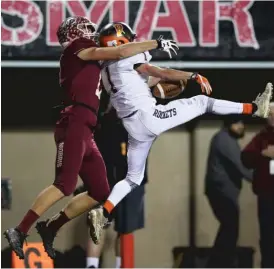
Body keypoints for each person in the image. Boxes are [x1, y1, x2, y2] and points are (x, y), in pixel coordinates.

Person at [3, 16, 178, 260]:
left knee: (100, 191)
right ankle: (20, 230)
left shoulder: (94, 62)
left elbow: (131, 76)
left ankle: (50, 227)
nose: (91, 33)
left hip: (86, 127)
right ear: (72, 35)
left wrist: (167, 77)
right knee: (64, 184)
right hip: (73, 121)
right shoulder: (76, 50)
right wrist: (155, 43)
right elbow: (121, 51)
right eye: (85, 29)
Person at [88, 21, 273, 244]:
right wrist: (192, 75)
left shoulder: (106, 68)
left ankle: (104, 212)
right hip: (149, 118)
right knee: (202, 102)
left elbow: (144, 80)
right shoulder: (129, 58)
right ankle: (255, 108)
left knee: (132, 178)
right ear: (121, 41)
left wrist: (169, 80)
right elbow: (157, 71)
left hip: (133, 127)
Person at [76, 91, 147, 268]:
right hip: (106, 182)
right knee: (98, 224)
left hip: (127, 183)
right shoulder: (104, 123)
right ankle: (92, 265)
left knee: (124, 229)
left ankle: (120, 265)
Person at [204, 117, 253, 268]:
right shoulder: (224, 140)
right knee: (230, 230)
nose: (241, 127)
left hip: (222, 192)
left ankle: (217, 264)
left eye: (242, 123)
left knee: (229, 229)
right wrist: (263, 177)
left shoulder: (225, 139)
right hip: (221, 192)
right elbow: (242, 166)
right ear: (228, 124)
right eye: (237, 123)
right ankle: (217, 265)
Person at [241, 102, 274, 268]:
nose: (272, 117)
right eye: (270, 114)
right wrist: (262, 154)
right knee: (267, 236)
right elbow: (246, 158)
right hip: (267, 195)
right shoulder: (262, 137)